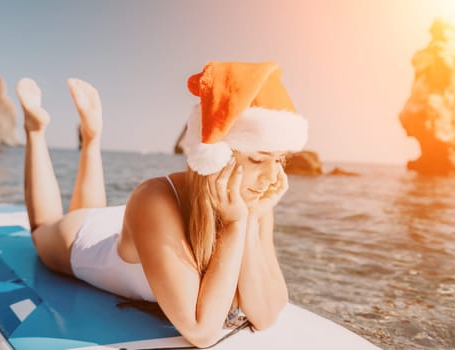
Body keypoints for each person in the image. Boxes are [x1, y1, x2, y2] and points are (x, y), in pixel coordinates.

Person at [16, 61, 308, 348]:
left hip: (142, 231)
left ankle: (91, 137)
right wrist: (235, 226)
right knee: (43, 228)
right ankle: (36, 129)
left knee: (94, 208)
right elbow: (201, 332)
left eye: (280, 159)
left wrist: (251, 219)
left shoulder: (252, 201)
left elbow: (266, 313)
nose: (273, 177)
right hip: (84, 239)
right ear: (217, 156)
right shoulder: (153, 197)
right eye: (258, 159)